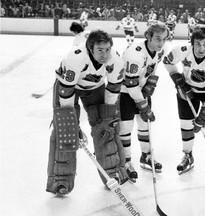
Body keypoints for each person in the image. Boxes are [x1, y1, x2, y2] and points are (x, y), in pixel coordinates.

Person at [46, 29, 128, 196]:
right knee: (65, 132)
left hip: (95, 88)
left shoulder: (116, 60)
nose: (105, 55)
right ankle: (60, 180)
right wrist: (71, 123)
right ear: (90, 48)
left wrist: (106, 118)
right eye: (100, 50)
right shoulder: (75, 58)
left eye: (107, 49)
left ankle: (112, 172)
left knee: (107, 128)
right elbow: (66, 91)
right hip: (68, 90)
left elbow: (113, 89)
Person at [163, 26, 205, 180]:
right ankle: (187, 155)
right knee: (186, 124)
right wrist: (177, 79)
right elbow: (167, 61)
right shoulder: (182, 50)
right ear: (191, 43)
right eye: (198, 44)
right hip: (187, 90)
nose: (201, 48)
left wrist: (204, 114)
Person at [119, 23, 169, 182]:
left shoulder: (159, 51)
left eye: (164, 39)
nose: (161, 43)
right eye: (158, 39)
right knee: (126, 127)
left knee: (144, 124)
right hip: (125, 92)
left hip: (140, 90)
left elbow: (152, 68)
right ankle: (125, 161)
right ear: (148, 37)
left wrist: (150, 85)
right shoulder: (135, 54)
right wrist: (143, 105)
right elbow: (130, 84)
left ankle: (146, 156)